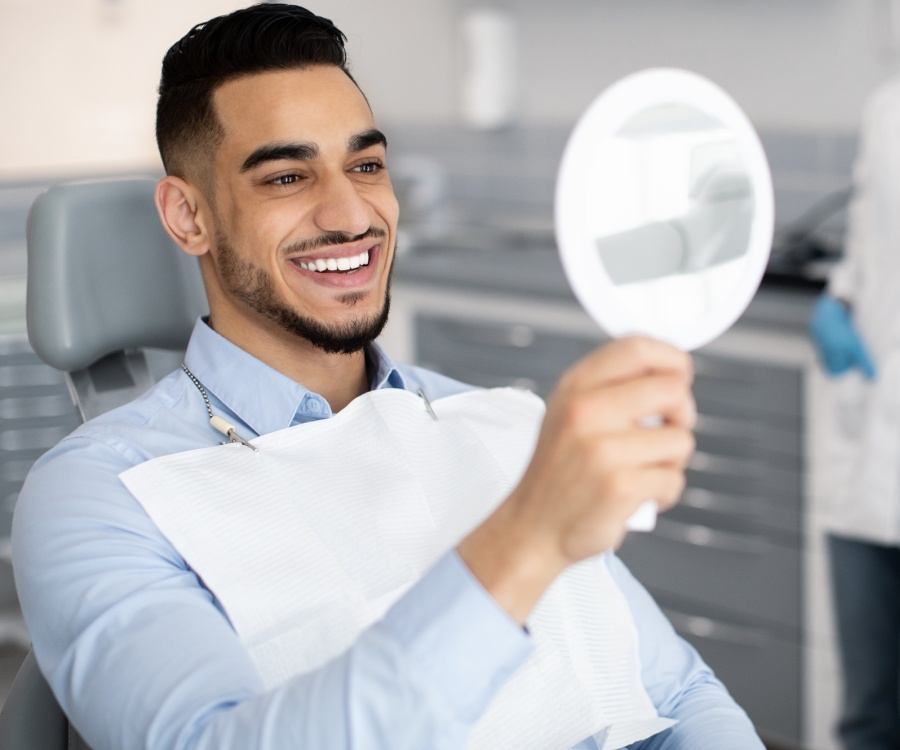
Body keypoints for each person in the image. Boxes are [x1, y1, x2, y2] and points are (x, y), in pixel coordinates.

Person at [12, 5, 764, 749]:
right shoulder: (101, 494)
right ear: (188, 217)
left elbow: (678, 694)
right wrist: (526, 536)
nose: (351, 214)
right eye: (285, 176)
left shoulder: (499, 424)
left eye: (366, 165)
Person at [809, 74, 900, 750]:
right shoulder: (887, 106)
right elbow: (869, 248)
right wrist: (838, 302)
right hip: (868, 447)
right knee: (868, 716)